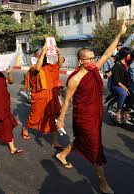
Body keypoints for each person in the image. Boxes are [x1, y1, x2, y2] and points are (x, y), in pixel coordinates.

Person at [56, 20, 127, 194]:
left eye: (94, 58)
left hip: (95, 115)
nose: (93, 60)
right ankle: (103, 183)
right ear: (81, 61)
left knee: (81, 140)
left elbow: (107, 53)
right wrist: (60, 120)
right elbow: (66, 102)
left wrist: (119, 34)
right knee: (95, 148)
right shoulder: (74, 80)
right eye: (90, 58)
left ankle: (62, 154)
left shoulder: (94, 69)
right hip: (83, 117)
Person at [21, 40, 65, 149]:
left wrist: (59, 53)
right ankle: (25, 128)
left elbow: (59, 64)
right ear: (36, 57)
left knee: (54, 119)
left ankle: (54, 141)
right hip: (40, 99)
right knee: (35, 117)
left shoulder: (52, 66)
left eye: (45, 55)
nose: (44, 56)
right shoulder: (33, 69)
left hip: (52, 98)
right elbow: (38, 68)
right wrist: (44, 51)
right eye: (41, 55)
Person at [111, 47, 131, 122]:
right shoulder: (117, 65)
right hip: (116, 85)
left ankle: (127, 109)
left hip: (125, 84)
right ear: (124, 55)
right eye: (129, 54)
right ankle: (118, 111)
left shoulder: (127, 63)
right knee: (124, 93)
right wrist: (124, 88)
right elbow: (116, 80)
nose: (130, 56)